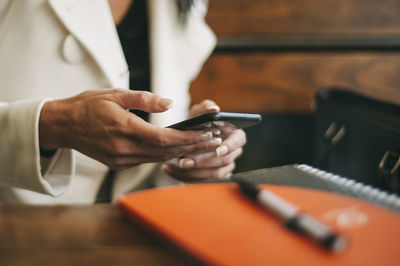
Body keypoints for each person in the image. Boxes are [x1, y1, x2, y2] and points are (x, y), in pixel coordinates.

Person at [0, 0, 246, 203]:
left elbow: (146, 167)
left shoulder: (182, 6)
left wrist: (188, 155)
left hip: (123, 231)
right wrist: (51, 125)